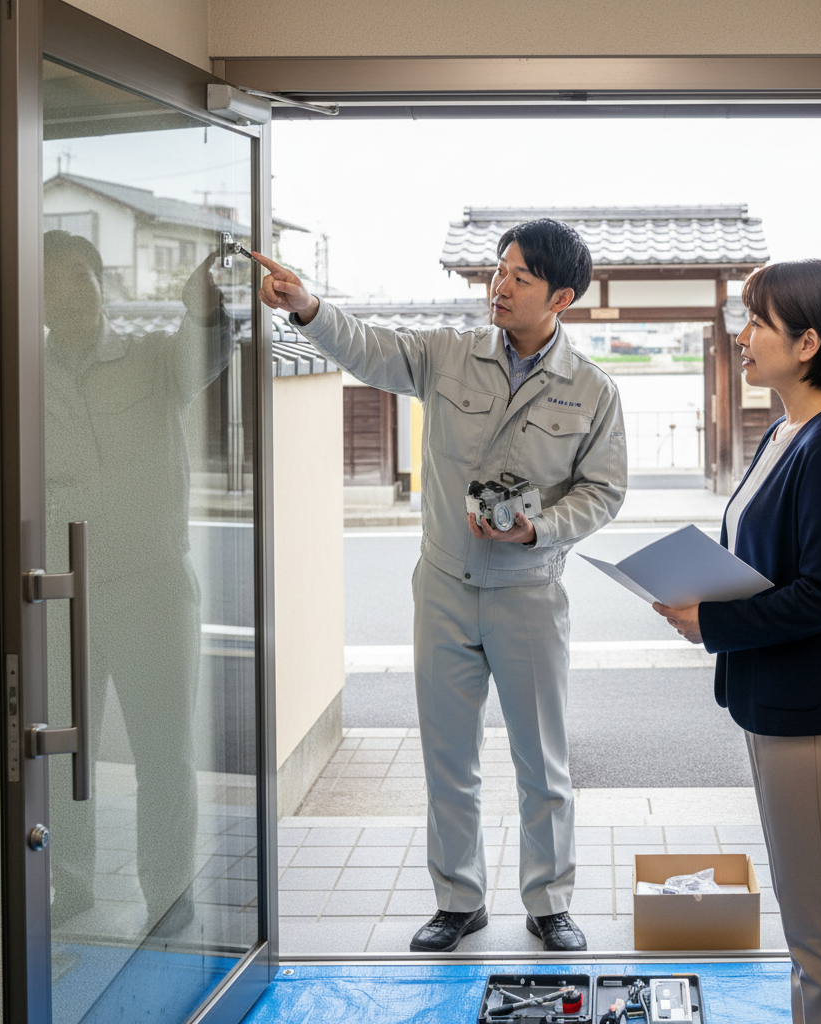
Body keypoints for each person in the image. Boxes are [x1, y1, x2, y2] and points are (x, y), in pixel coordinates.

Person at [253, 219, 626, 953]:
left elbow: (605, 491)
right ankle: (458, 900)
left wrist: (538, 529)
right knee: (447, 756)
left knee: (542, 761)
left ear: (563, 297)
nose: (501, 284)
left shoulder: (591, 390)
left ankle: (550, 902)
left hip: (529, 592)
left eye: (520, 275)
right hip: (445, 589)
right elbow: (368, 348)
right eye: (500, 269)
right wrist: (305, 305)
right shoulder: (446, 353)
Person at [653, 259, 821, 1024]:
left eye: (757, 323)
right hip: (778, 702)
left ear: (809, 343)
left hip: (815, 714)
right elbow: (767, 563)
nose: (741, 337)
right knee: (805, 909)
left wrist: (711, 622)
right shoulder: (788, 431)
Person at [43, 230, 236, 939]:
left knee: (165, 752)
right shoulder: (23, 372)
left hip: (152, 583)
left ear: (101, 283)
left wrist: (207, 312)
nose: (65, 290)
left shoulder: (153, 358)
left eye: (77, 275)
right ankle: (69, 881)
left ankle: (169, 889)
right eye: (50, 280)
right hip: (59, 593)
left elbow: (208, 352)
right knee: (65, 751)